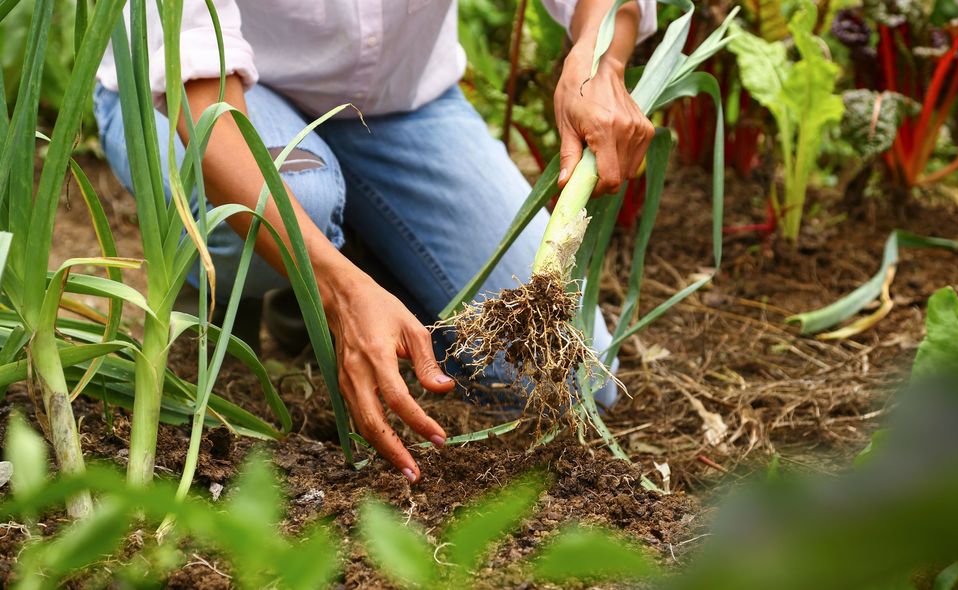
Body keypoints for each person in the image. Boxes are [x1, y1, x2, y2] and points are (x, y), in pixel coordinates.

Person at [94, 0, 656, 483]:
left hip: (398, 111)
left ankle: (354, 262)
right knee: (302, 198)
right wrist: (337, 291)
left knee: (568, 379)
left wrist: (599, 63)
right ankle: (234, 304)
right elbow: (203, 104)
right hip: (197, 97)